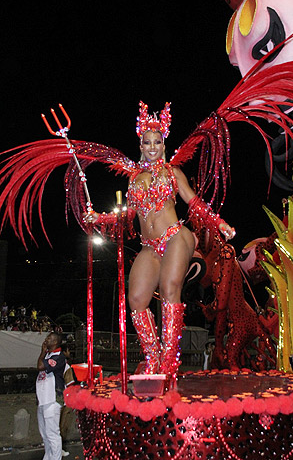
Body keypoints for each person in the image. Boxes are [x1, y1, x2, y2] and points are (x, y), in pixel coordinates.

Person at [85, 101, 235, 379]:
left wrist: (219, 223)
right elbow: (128, 216)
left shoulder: (173, 173)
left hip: (176, 236)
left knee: (169, 288)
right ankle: (153, 359)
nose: (152, 147)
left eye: (157, 142)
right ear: (140, 145)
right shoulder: (133, 180)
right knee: (136, 299)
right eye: (147, 142)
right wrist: (100, 218)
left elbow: (194, 202)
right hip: (149, 246)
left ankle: (169, 363)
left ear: (164, 145)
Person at [36, 332, 65, 460]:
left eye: (49, 338)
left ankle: (56, 458)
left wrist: (42, 352)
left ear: (55, 342)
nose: (46, 339)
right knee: (45, 434)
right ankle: (48, 457)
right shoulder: (49, 355)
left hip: (52, 399)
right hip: (43, 400)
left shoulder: (58, 356)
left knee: (52, 434)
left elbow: (40, 366)